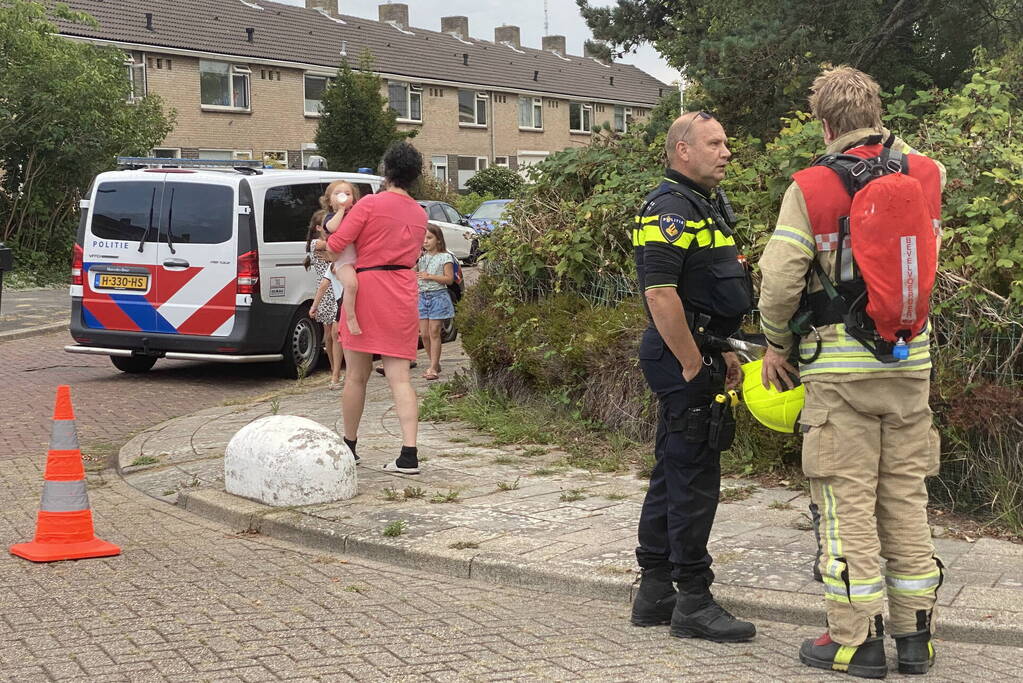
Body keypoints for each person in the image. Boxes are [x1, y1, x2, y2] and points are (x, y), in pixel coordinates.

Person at [757, 67, 945, 678]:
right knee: (905, 500)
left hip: (840, 375)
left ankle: (855, 641)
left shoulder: (810, 186)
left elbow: (781, 280)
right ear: (877, 111)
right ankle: (916, 639)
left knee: (846, 507)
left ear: (824, 123)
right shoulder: (925, 174)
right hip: (910, 365)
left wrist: (776, 343)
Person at [630, 111, 756, 643]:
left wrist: (723, 351)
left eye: (726, 142)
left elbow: (709, 291)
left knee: (673, 468)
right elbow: (661, 294)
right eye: (715, 143)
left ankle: (656, 591)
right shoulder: (669, 210)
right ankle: (693, 600)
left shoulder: (705, 204)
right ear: (684, 150)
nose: (727, 151)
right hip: (681, 356)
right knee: (694, 479)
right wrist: (689, 363)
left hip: (703, 350)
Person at [316, 142, 428, 474]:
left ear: (386, 170)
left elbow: (336, 245)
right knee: (399, 377)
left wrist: (323, 246)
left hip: (367, 290)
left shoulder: (370, 204)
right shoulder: (421, 213)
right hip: (404, 290)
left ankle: (349, 446)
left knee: (356, 376)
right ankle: (409, 454)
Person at [305, 209, 342, 390]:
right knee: (329, 334)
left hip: (333, 289)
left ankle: (336, 371)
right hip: (326, 291)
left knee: (335, 333)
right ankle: (334, 368)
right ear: (318, 227)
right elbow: (332, 245)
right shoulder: (316, 243)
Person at [323, 181, 363, 336]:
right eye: (338, 194)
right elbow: (332, 228)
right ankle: (350, 318)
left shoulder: (356, 214)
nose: (343, 196)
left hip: (359, 259)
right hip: (343, 262)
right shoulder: (330, 217)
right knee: (351, 285)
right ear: (329, 200)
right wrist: (341, 210)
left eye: (348, 194)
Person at [417, 224, 455, 380]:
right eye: (423, 238)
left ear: (438, 240)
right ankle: (434, 361)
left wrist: (430, 276)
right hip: (422, 296)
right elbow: (413, 272)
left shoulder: (445, 257)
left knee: (434, 332)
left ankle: (432, 367)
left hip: (437, 296)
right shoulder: (421, 257)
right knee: (424, 334)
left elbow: (449, 279)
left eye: (429, 238)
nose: (425, 241)